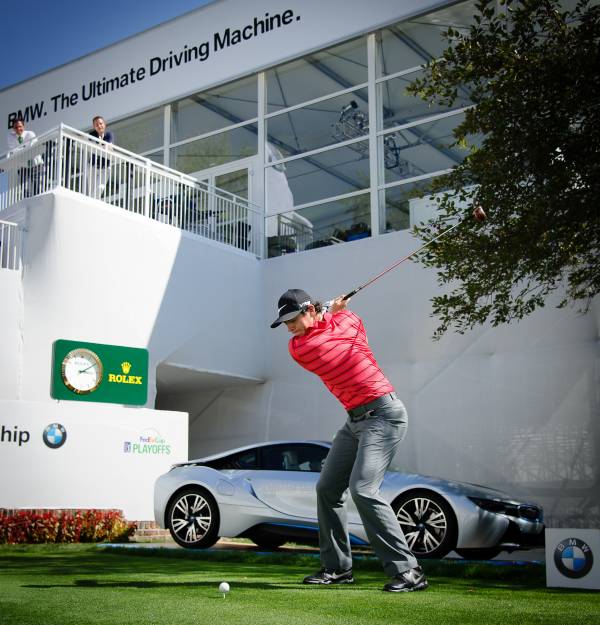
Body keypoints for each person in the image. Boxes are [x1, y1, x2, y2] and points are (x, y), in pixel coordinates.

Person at [271, 289, 428, 593]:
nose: (289, 327)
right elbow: (335, 328)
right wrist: (333, 310)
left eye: (292, 318)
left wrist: (330, 309)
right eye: (284, 322)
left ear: (308, 310)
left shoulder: (335, 327)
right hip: (354, 420)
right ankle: (337, 569)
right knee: (327, 488)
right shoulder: (301, 347)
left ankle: (409, 571)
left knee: (363, 489)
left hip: (384, 415)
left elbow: (334, 333)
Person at [6, 118, 40, 197]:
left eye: (20, 126)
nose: (18, 129)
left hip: (36, 165)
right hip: (23, 167)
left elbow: (33, 149)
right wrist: (25, 148)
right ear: (13, 129)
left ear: (24, 126)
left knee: (38, 188)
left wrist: (20, 150)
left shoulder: (30, 134)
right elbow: (13, 151)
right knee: (25, 190)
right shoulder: (10, 136)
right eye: (16, 127)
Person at [87, 115, 114, 197]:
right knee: (91, 190)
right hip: (93, 166)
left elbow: (109, 146)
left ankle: (92, 205)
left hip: (105, 167)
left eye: (100, 123)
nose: (99, 126)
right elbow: (90, 142)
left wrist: (105, 146)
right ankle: (91, 205)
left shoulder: (109, 134)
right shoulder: (92, 134)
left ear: (104, 124)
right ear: (94, 127)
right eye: (96, 125)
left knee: (99, 188)